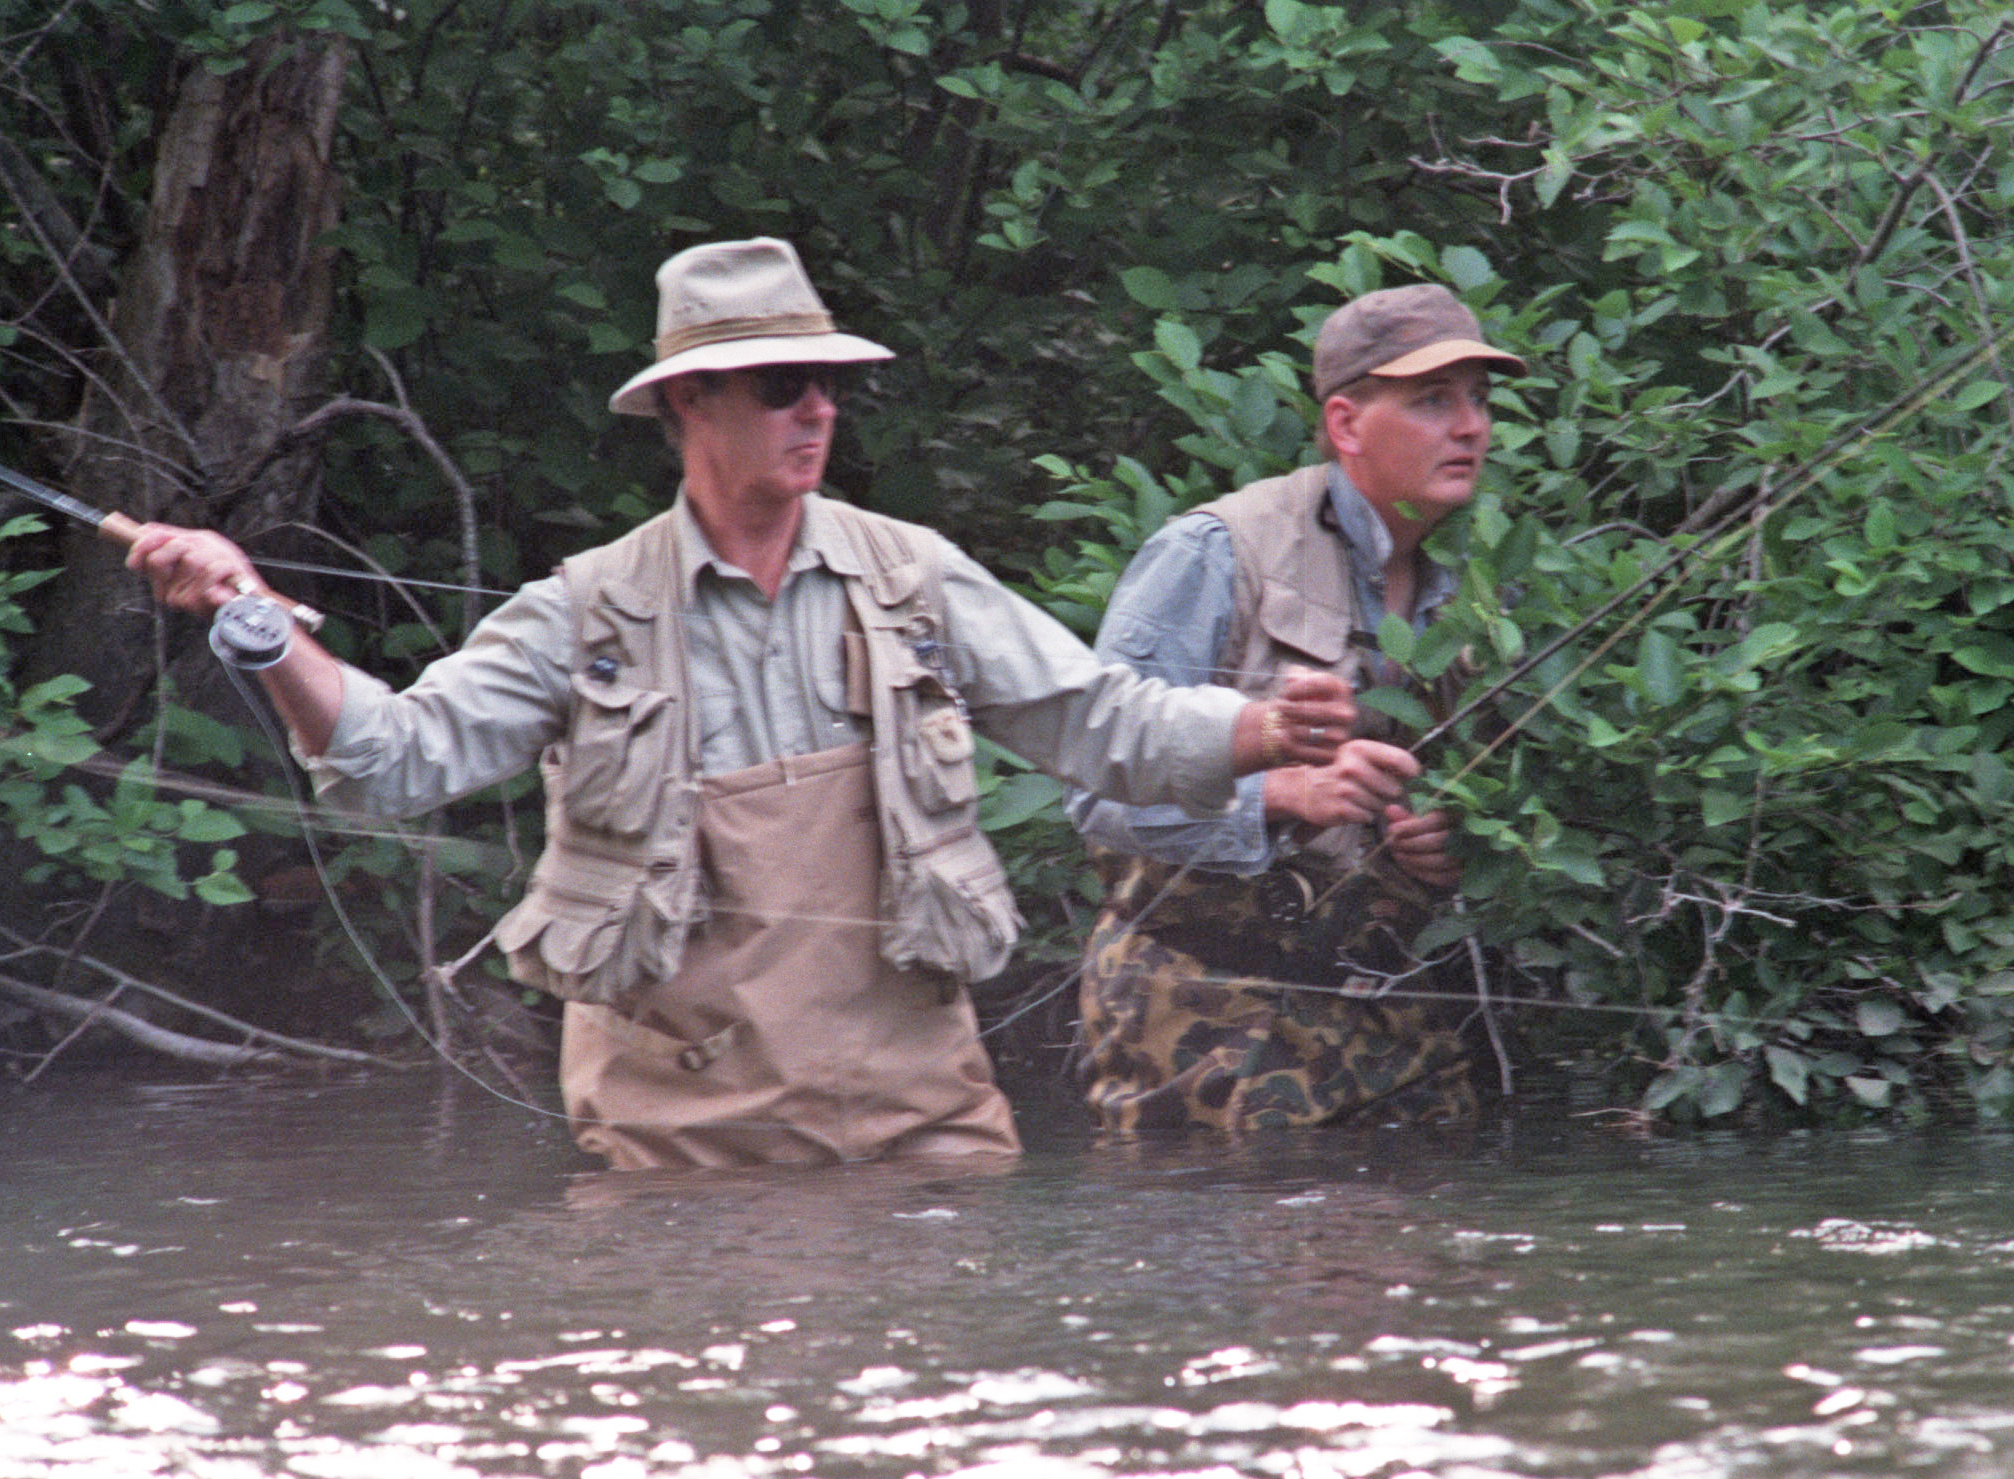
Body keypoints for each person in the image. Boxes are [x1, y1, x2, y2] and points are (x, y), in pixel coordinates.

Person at [125, 236, 1355, 1170]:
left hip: (919, 1117)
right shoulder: (584, 609)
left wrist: (1258, 731)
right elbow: (393, 758)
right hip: (677, 1142)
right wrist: (257, 619)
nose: (813, 410)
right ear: (683, 404)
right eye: (777, 384)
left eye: (825, 385)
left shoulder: (913, 574)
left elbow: (1102, 725)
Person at [1067, 282, 1526, 1131]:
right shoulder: (1214, 551)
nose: (1470, 427)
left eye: (1478, 401)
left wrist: (1446, 847)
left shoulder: (1465, 598)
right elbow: (1094, 793)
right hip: (1196, 1014)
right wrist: (1281, 797)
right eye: (1432, 401)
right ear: (1347, 425)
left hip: (1380, 1002)